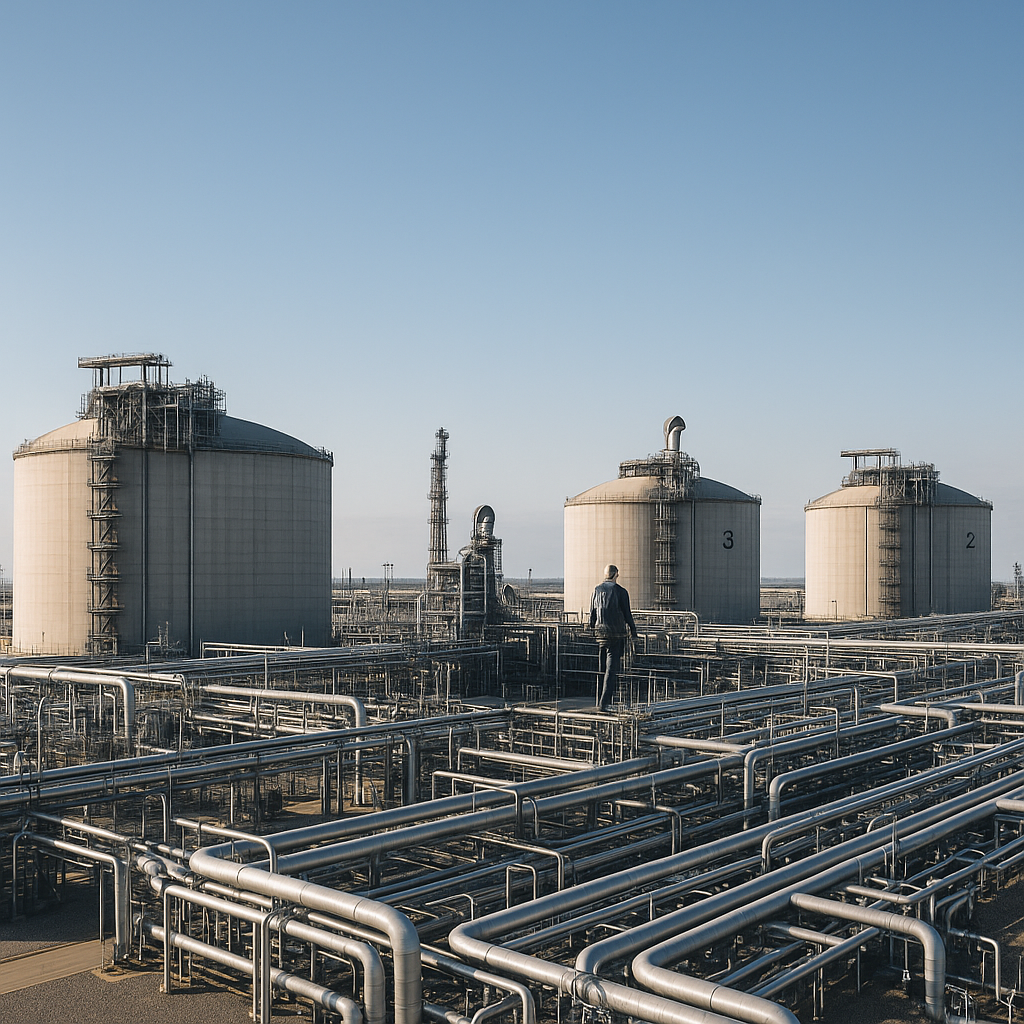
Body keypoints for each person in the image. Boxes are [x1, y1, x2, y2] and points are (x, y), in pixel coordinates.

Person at [589, 564, 638, 711]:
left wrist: (593, 628)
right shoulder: (621, 592)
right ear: (616, 574)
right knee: (611, 669)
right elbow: (627, 614)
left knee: (602, 667)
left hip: (600, 634)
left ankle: (599, 699)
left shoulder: (596, 590)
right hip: (616, 634)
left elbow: (592, 613)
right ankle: (604, 704)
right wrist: (634, 632)